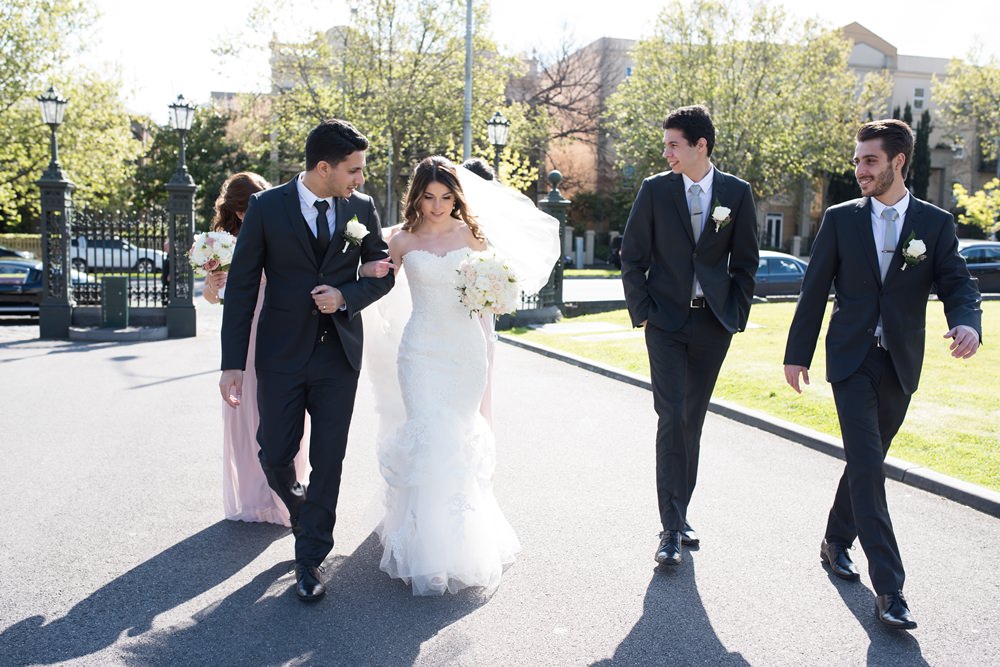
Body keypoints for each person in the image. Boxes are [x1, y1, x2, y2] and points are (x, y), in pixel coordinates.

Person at [783, 119, 981, 630]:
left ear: (898, 162)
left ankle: (835, 540)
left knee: (865, 463)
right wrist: (797, 353)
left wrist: (967, 323)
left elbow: (958, 284)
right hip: (851, 361)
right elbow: (813, 291)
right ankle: (890, 589)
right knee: (869, 466)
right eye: (857, 160)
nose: (860, 170)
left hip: (899, 364)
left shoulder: (935, 224)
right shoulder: (840, 219)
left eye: (869, 160)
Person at [219, 119, 394, 603]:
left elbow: (383, 273)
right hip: (280, 353)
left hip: (338, 354)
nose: (361, 178)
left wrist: (345, 296)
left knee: (329, 459)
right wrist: (232, 363)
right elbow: (242, 287)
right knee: (275, 452)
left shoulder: (361, 207)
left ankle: (310, 556)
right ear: (323, 168)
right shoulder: (266, 206)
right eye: (354, 169)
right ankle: (300, 505)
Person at [374, 156, 526, 596]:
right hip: (419, 351)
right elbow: (378, 284)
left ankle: (458, 546)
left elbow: (496, 285)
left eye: (445, 197)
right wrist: (362, 275)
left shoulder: (472, 236)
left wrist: (495, 294)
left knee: (457, 439)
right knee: (428, 436)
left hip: (464, 352)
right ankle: (426, 551)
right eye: (429, 197)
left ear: (456, 198)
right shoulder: (401, 240)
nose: (438, 206)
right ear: (417, 197)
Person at [620, 105, 759, 567]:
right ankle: (670, 528)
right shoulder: (655, 190)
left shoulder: (737, 193)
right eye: (665, 145)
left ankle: (680, 515)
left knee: (692, 421)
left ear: (701, 146)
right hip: (665, 323)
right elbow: (632, 256)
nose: (667, 153)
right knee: (672, 415)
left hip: (713, 324)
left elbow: (746, 262)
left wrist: (734, 315)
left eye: (673, 145)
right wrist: (643, 312)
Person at [204, 172, 310, 526]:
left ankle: (285, 491)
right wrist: (214, 283)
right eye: (247, 208)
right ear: (236, 213)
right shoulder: (223, 246)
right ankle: (255, 494)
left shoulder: (282, 231)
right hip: (244, 332)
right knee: (246, 409)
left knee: (282, 408)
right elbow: (211, 297)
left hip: (279, 327)